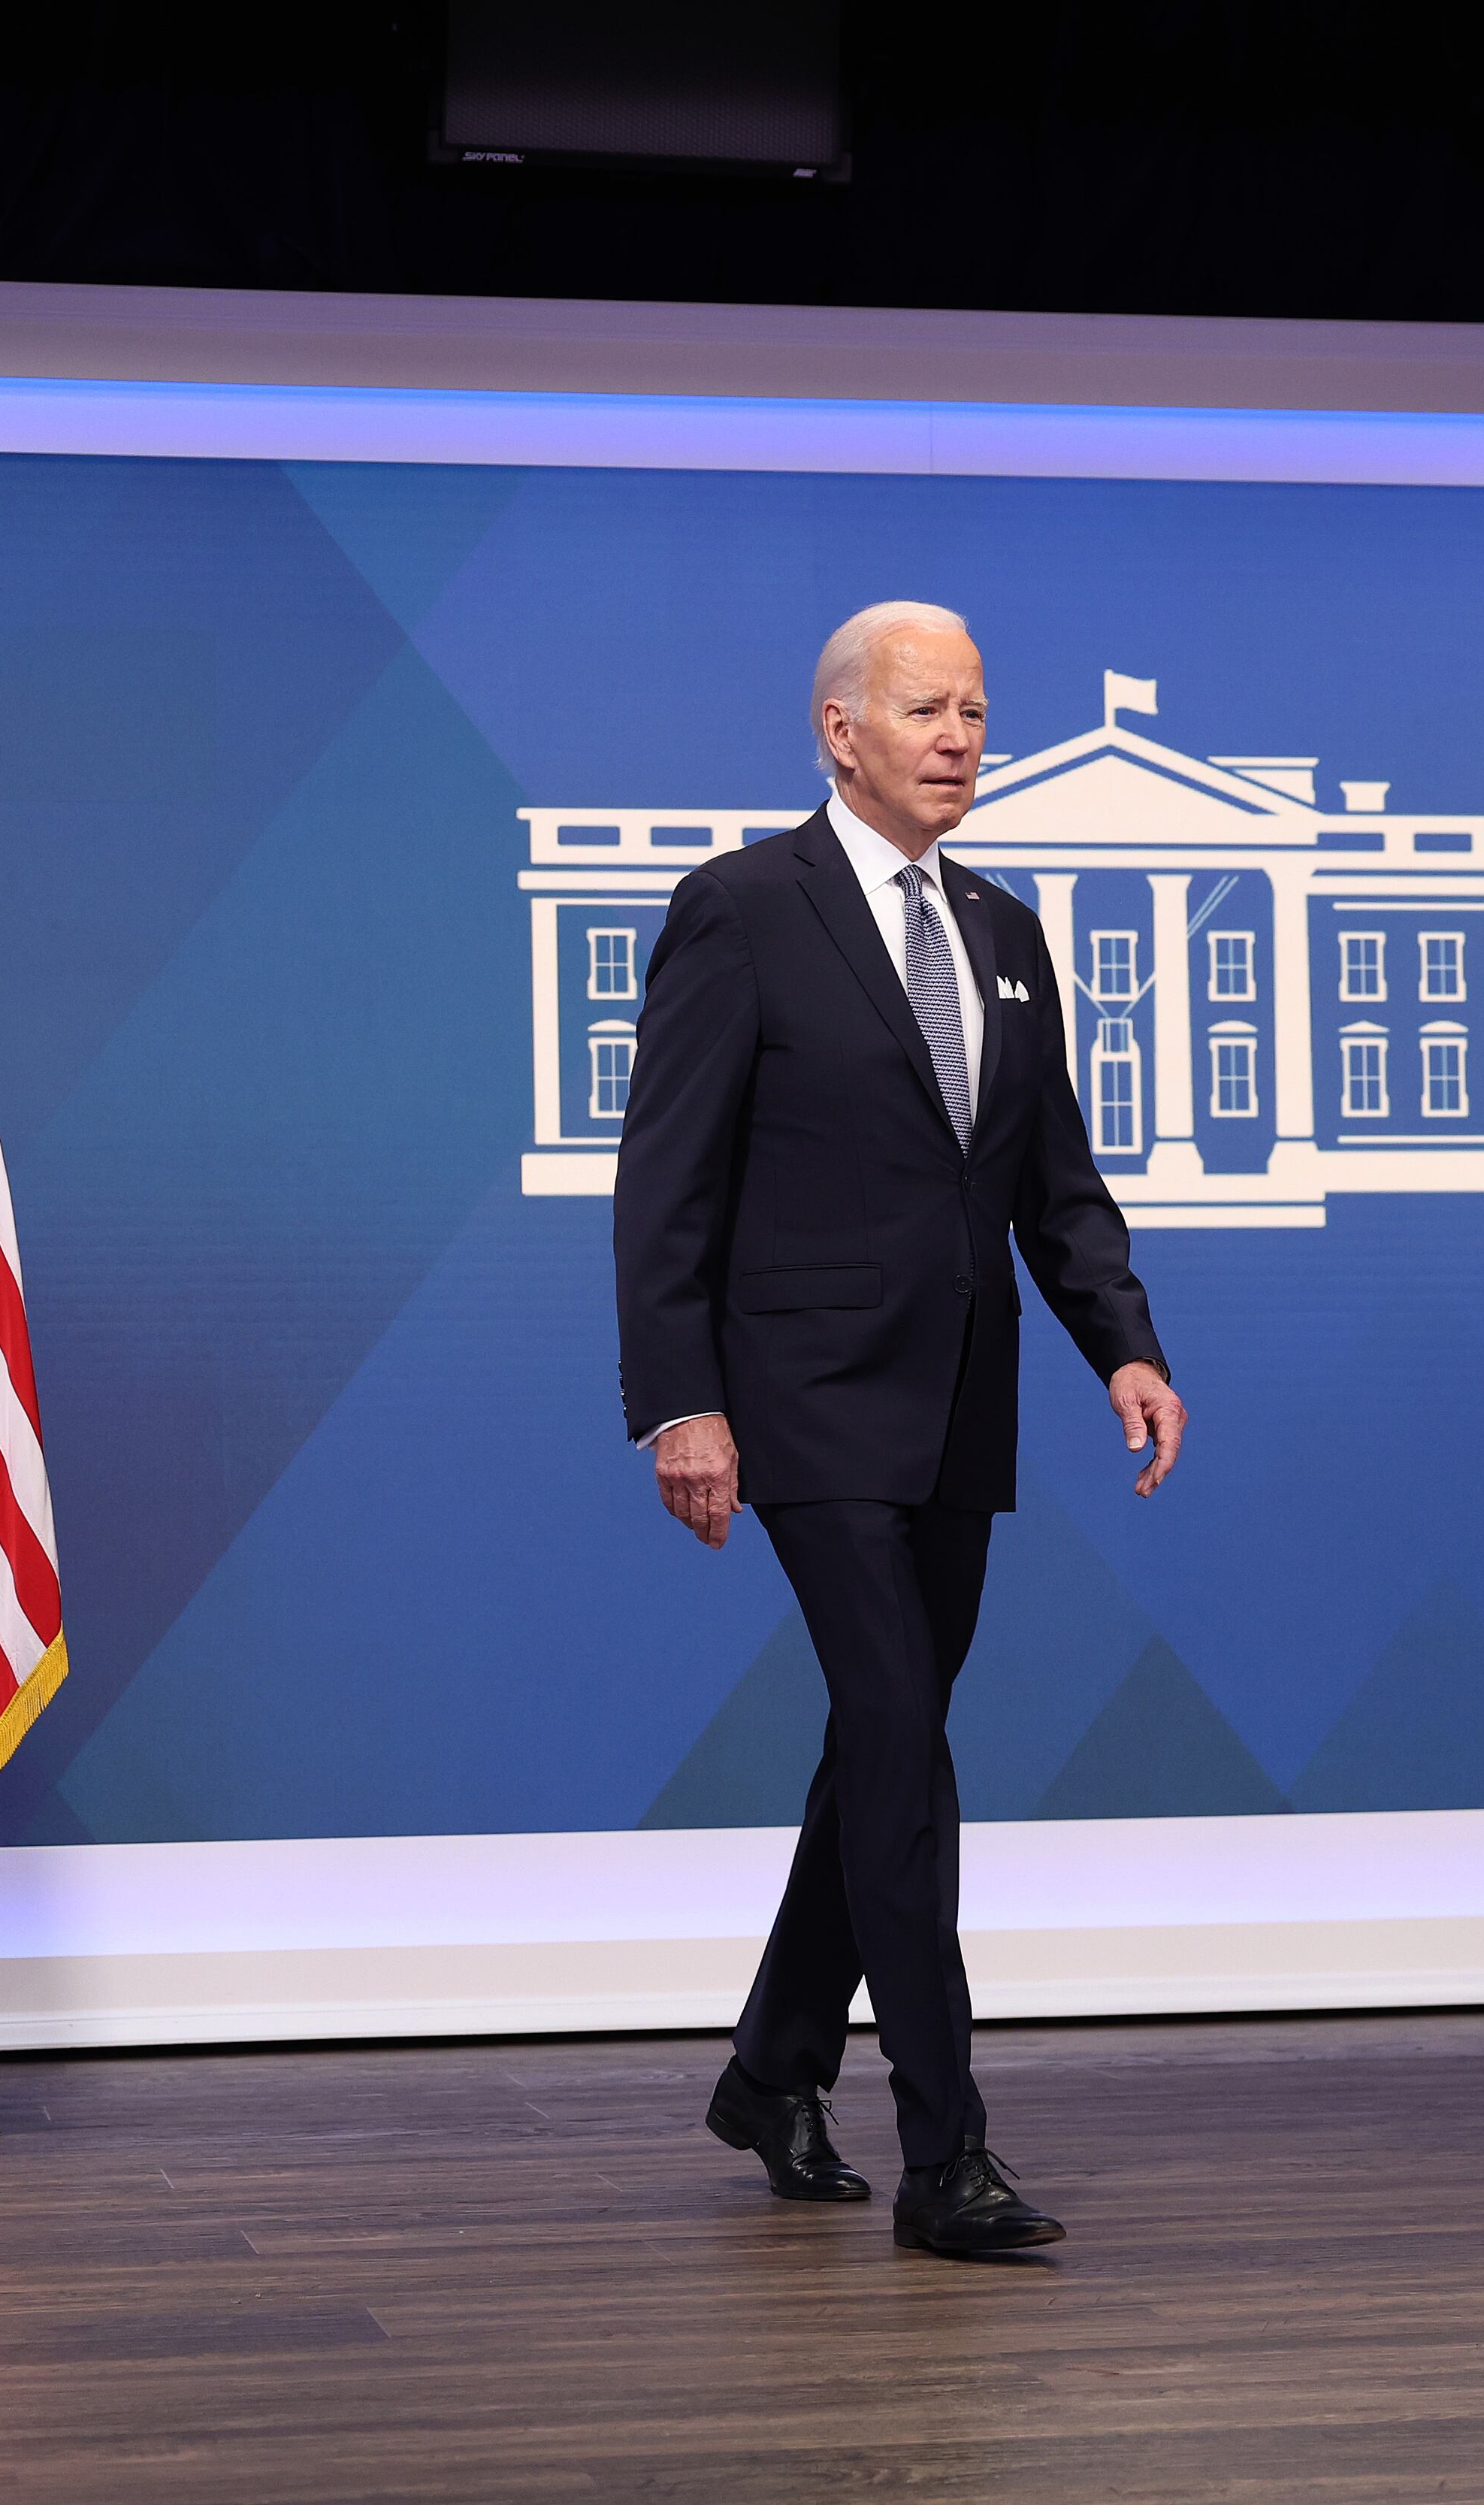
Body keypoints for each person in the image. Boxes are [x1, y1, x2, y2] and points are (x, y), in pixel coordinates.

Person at [615, 600, 1183, 2258]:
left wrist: (1122, 1348)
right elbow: (667, 1183)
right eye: (928, 708)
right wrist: (681, 1399)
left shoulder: (1007, 927)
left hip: (960, 1401)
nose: (960, 736)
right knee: (903, 1740)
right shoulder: (739, 909)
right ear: (838, 730)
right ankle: (948, 2152)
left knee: (881, 1737)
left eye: (977, 711)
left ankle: (773, 2067)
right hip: (800, 1399)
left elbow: (1051, 1181)